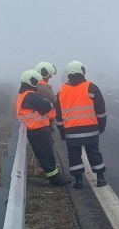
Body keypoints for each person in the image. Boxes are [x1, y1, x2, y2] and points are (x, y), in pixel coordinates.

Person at [55, 61, 108, 189]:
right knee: (94, 153)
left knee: (74, 155)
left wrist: (62, 132)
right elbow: (101, 110)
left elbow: (59, 115)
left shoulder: (62, 91)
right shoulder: (92, 87)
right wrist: (101, 127)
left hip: (71, 131)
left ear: (68, 74)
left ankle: (79, 181)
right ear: (83, 71)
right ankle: (100, 179)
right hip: (90, 129)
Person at [16, 69, 71, 187]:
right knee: (47, 156)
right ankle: (56, 180)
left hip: (36, 129)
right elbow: (47, 106)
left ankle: (55, 178)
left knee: (45, 156)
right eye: (35, 81)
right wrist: (47, 103)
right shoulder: (30, 95)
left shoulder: (25, 94)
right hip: (38, 130)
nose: (37, 83)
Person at [30, 61, 58, 176]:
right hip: (45, 121)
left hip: (39, 121)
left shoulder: (35, 85)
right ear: (45, 73)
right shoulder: (44, 86)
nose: (51, 77)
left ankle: (40, 168)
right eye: (50, 74)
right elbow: (55, 101)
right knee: (46, 146)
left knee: (39, 146)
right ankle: (44, 169)